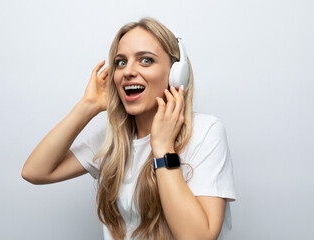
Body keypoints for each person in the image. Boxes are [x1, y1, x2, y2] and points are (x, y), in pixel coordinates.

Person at [22, 17, 236, 240]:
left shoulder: (205, 132)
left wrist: (163, 149)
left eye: (145, 60)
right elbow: (35, 171)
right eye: (121, 62)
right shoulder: (113, 140)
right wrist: (88, 106)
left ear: (176, 74)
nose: (128, 71)